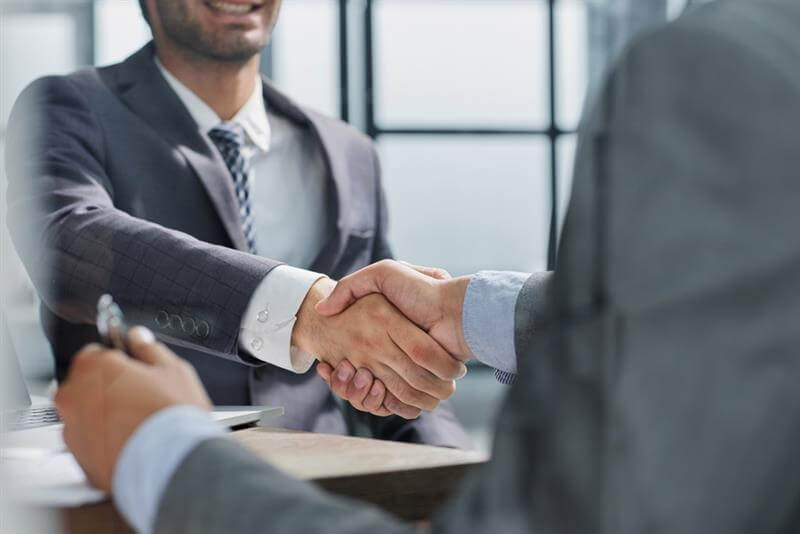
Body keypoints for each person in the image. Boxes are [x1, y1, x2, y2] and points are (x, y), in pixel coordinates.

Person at [55, 0, 800, 533]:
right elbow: (73, 235)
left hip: (318, 500)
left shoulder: (345, 149)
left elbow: (408, 386)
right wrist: (321, 314)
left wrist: (451, 484)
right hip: (112, 498)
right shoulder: (70, 107)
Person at [4, 0, 471, 445]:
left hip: (324, 491)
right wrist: (305, 312)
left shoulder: (349, 153)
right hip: (140, 488)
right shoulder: (66, 107)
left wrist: (452, 473)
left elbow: (389, 358)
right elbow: (68, 243)